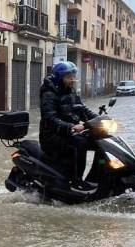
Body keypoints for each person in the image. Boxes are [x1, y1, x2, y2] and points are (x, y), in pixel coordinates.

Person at [39, 61, 98, 193]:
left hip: (68, 133)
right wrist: (71, 126)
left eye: (73, 75)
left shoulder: (70, 91)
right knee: (80, 142)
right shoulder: (49, 94)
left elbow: (82, 109)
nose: (72, 79)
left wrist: (98, 119)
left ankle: (98, 177)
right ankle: (76, 182)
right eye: (69, 76)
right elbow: (50, 118)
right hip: (52, 136)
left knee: (99, 140)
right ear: (60, 77)